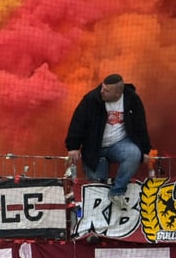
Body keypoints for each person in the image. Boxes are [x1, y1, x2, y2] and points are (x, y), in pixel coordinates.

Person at [65, 74, 152, 210]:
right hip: (94, 148)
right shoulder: (91, 99)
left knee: (134, 154)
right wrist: (73, 147)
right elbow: (78, 122)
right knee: (97, 186)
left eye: (106, 91)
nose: (102, 91)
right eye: (102, 88)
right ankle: (97, 225)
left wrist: (145, 150)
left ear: (118, 92)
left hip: (119, 144)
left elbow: (140, 125)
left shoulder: (132, 99)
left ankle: (117, 191)